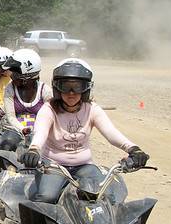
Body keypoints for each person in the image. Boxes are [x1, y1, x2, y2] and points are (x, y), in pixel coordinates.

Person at [20, 58, 149, 203]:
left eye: (78, 87)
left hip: (84, 166)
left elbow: (111, 133)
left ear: (86, 89)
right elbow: (40, 133)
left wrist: (133, 149)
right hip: (53, 165)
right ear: (57, 88)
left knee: (104, 198)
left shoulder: (92, 109)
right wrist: (34, 150)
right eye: (66, 87)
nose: (71, 93)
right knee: (46, 197)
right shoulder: (49, 109)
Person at [0, 49, 51, 151]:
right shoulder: (10, 89)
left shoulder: (45, 90)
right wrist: (23, 129)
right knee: (6, 144)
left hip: (40, 129)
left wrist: (37, 130)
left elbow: (51, 116)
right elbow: (11, 117)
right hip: (16, 129)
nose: (11, 76)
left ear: (27, 75)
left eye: (15, 73)